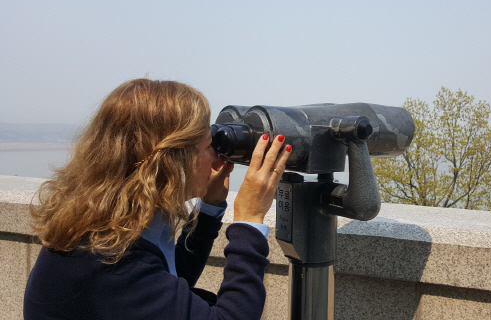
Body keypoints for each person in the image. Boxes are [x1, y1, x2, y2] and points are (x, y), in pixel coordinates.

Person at [23, 78, 291, 319]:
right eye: (208, 145)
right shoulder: (109, 261)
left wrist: (209, 210)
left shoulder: (107, 223)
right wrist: (249, 221)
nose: (216, 157)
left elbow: (170, 279)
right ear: (173, 162)